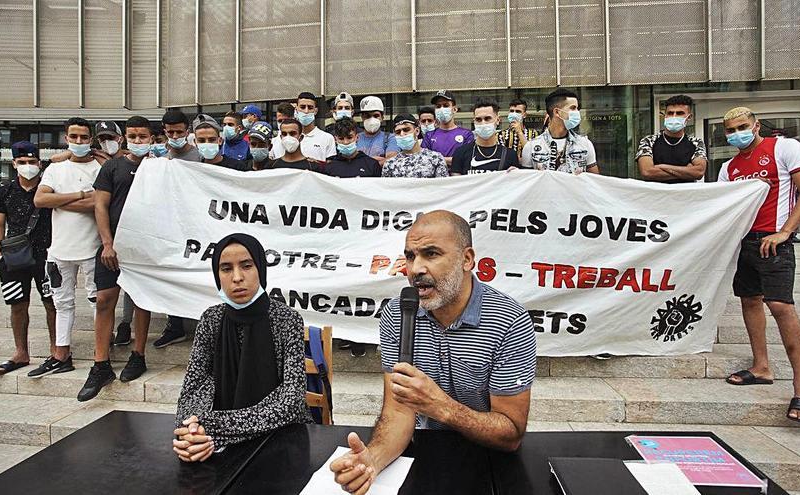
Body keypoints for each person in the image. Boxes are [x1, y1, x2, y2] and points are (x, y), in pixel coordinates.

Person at [329, 211, 537, 493]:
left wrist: (441, 407)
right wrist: (373, 461)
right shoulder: (398, 313)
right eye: (411, 256)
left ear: (467, 259)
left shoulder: (509, 320)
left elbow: (510, 433)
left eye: (431, 254)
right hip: (427, 454)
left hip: (490, 463)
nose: (416, 269)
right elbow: (399, 410)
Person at [718, 106, 800, 423]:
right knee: (750, 301)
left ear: (756, 124)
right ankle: (761, 366)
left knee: (780, 305)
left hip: (775, 241)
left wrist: (785, 231)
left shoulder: (784, 147)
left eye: (742, 127)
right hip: (745, 242)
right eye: (731, 130)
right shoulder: (729, 167)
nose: (737, 134)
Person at [173, 233, 311, 459]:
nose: (237, 277)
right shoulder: (211, 320)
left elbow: (291, 402)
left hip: (281, 441)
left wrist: (215, 428)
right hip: (217, 446)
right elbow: (191, 391)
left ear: (261, 269)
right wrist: (192, 431)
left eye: (246, 266)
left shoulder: (287, 320)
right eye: (226, 269)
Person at [76, 116, 156, 401]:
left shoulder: (160, 168)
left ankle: (139, 355)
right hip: (112, 248)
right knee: (104, 299)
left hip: (146, 248)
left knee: (141, 300)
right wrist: (107, 243)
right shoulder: (111, 167)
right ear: (124, 138)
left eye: (142, 135)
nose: (137, 140)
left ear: (151, 138)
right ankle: (100, 365)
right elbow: (100, 206)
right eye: (132, 135)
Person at [31, 117, 102, 377]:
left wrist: (58, 201)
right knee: (62, 303)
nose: (79, 142)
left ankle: (100, 353)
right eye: (74, 137)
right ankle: (61, 354)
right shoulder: (55, 168)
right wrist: (81, 194)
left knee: (97, 301)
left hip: (93, 247)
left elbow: (98, 203)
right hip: (60, 249)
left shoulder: (99, 166)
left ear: (91, 139)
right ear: (66, 138)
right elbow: (40, 199)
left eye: (84, 137)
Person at [0, 141, 56, 376]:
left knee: (52, 303)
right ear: (14, 164)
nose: (27, 166)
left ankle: (55, 350)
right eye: (22, 163)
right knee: (18, 304)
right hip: (14, 256)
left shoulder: (49, 187)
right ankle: (21, 351)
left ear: (39, 163)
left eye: (32, 162)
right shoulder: (5, 190)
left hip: (47, 254)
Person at [159, 109, 200, 347]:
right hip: (169, 227)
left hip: (195, 226)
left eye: (179, 132)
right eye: (170, 132)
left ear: (187, 132)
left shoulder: (199, 157)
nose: (174, 136)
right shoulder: (157, 160)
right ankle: (174, 324)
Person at [521, 88, 599, 175]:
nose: (577, 112)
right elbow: (527, 181)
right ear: (557, 112)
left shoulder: (585, 144)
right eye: (573, 108)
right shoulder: (531, 147)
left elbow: (594, 180)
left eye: (577, 108)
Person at [636, 94, 707, 183]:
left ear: (689, 117)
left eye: (679, 113)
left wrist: (661, 166)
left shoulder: (696, 143)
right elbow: (647, 172)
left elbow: (698, 172)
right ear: (665, 115)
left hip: (685, 196)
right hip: (657, 196)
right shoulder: (649, 141)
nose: (674, 116)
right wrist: (686, 171)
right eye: (670, 113)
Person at [451, 99, 520, 175]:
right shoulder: (460, 153)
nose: (483, 123)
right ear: (474, 121)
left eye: (487, 119)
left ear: (497, 120)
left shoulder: (510, 155)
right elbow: (456, 183)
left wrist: (515, 176)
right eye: (478, 119)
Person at [270, 92, 336, 163]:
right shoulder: (278, 140)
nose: (306, 111)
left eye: (310, 107)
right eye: (302, 107)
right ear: (296, 109)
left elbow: (330, 167)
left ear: (315, 111)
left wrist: (317, 164)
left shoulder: (327, 138)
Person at [381, 114, 448, 178]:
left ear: (417, 131)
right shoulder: (390, 164)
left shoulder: (435, 158)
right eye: (398, 132)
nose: (402, 134)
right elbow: (387, 188)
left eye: (406, 130)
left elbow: (443, 187)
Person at [421, 90, 474, 167]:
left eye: (446, 105)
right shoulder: (429, 135)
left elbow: (466, 160)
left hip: (459, 178)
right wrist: (452, 160)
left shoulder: (467, 134)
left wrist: (436, 159)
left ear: (454, 109)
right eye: (438, 106)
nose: (442, 109)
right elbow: (424, 160)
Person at [49, 120, 127, 165]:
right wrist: (87, 150)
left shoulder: (130, 158)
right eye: (102, 138)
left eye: (110, 137)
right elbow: (54, 158)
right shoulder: (95, 156)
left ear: (121, 139)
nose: (106, 141)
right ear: (98, 141)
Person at [356, 96, 399, 167]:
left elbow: (391, 161)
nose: (372, 119)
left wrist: (362, 162)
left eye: (376, 116)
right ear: (362, 118)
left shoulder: (390, 138)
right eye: (367, 116)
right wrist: (378, 160)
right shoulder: (355, 138)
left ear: (382, 117)